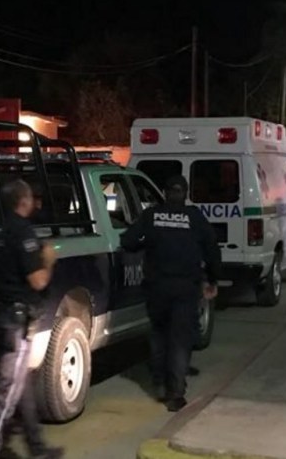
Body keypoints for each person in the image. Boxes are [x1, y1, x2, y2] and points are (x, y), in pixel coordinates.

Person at [0, 180, 63, 459]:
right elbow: (38, 281)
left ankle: (36, 446)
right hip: (15, 320)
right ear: (23, 202)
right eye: (31, 198)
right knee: (6, 391)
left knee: (20, 385)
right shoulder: (23, 231)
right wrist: (48, 259)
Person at [120, 175, 221, 412]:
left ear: (165, 193)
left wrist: (147, 243)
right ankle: (175, 393)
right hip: (185, 288)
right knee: (180, 339)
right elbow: (212, 249)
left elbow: (128, 241)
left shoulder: (151, 215)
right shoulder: (194, 217)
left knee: (159, 333)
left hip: (157, 287)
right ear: (186, 194)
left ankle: (159, 380)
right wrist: (213, 278)